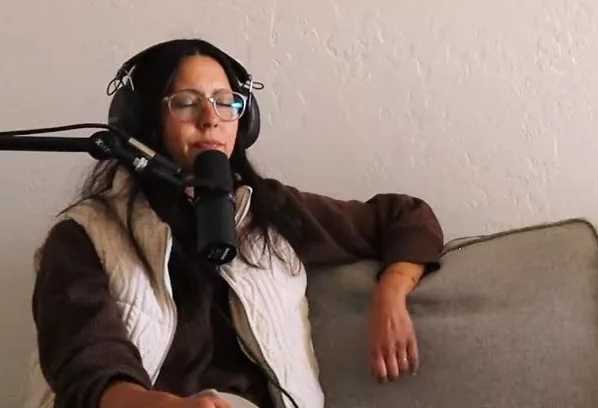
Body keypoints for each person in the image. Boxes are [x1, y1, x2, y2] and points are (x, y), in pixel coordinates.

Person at [25, 38, 446, 408]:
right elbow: (87, 367)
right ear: (142, 122)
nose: (211, 118)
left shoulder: (269, 210)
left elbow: (406, 217)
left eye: (225, 102)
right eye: (187, 102)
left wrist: (390, 298)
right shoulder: (84, 235)